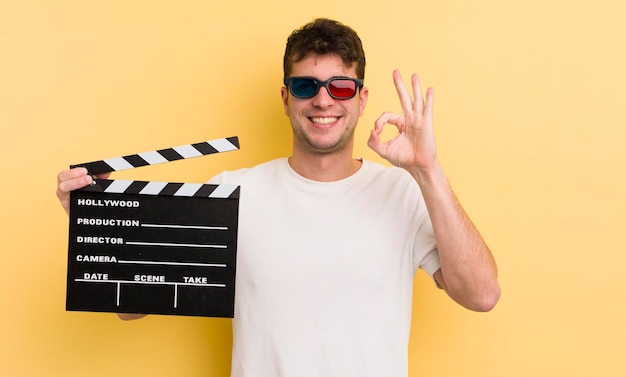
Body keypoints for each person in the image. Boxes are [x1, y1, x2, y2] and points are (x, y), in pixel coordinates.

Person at [57, 18, 499, 377]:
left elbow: (481, 295)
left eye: (340, 87)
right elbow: (131, 310)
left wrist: (428, 171)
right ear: (286, 98)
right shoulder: (233, 194)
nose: (323, 100)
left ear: (362, 99)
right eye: (306, 86)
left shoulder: (402, 192)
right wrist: (98, 216)